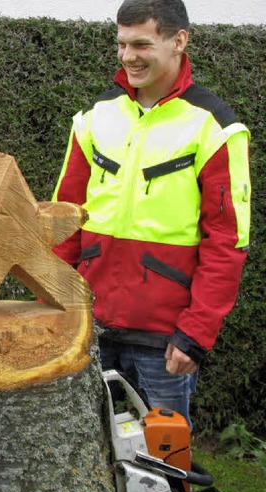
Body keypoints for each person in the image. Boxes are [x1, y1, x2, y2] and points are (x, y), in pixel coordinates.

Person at [51, 0, 251, 429]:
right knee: (83, 458)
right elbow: (64, 220)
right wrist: (56, 304)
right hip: (89, 323)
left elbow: (228, 243)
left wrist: (196, 333)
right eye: (121, 44)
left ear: (179, 41)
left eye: (141, 43)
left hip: (165, 339)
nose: (127, 57)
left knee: (163, 465)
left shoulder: (215, 127)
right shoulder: (93, 117)